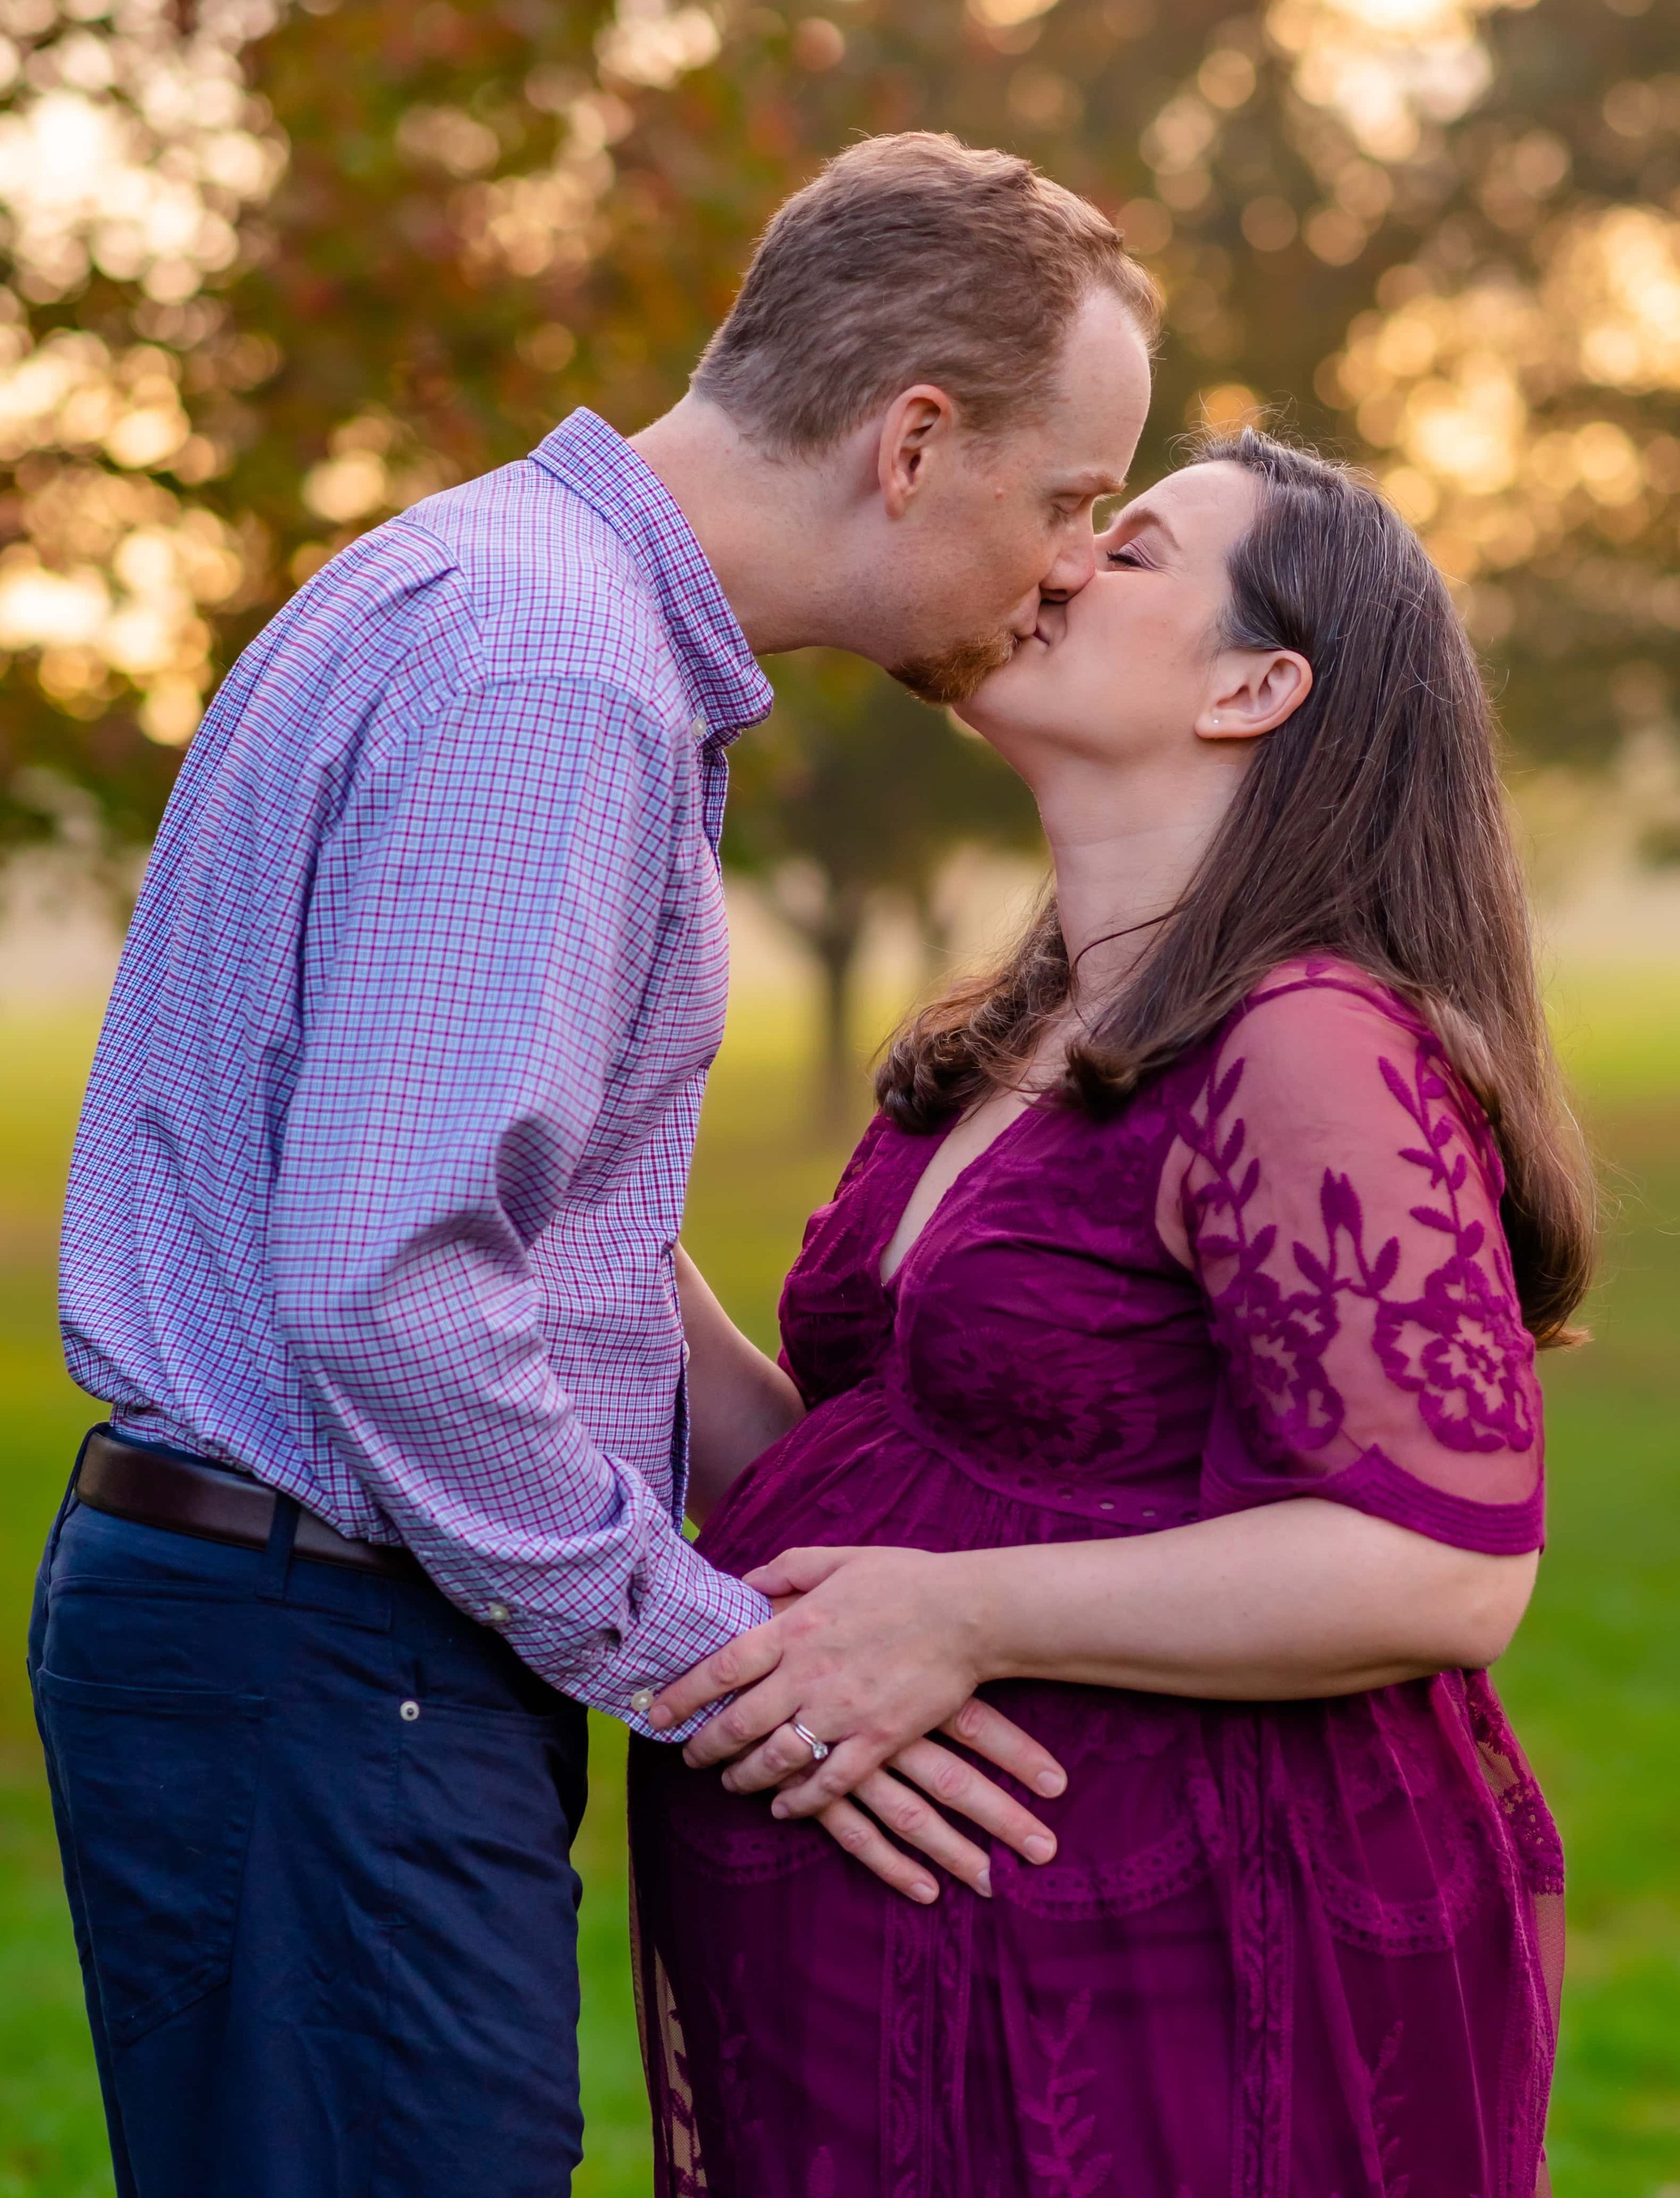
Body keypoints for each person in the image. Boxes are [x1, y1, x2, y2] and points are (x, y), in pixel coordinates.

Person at [27, 133, 1157, 2198]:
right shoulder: (559, 676)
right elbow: (389, 1282)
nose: (1073, 562)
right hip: (328, 1655)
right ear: (913, 441)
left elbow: (525, 1225)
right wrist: (706, 1656)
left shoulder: (502, 591)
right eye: (1068, 498)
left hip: (298, 1635)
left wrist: (821, 1489)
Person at [630, 429, 1592, 2197]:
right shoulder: (1010, 1041)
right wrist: (607, 1217)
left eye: (1127, 547)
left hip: (1182, 1981)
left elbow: (1440, 1565)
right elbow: (859, 1469)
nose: (1053, 559)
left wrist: (963, 1617)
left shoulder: (1304, 1038)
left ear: (1255, 684)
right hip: (914, 1981)